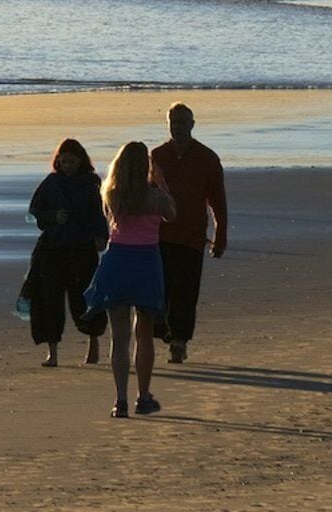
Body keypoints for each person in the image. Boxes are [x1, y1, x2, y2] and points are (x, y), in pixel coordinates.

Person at [81, 139, 176, 417]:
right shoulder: (155, 197)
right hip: (145, 262)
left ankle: (120, 399)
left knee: (119, 336)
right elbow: (172, 214)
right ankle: (143, 396)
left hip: (118, 261)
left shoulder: (112, 194)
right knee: (143, 334)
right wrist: (162, 183)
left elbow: (109, 219)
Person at [147, 102, 230, 363]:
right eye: (174, 122)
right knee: (160, 290)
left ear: (192, 124)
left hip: (192, 237)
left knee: (186, 292)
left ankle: (180, 341)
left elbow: (218, 201)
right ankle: (165, 331)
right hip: (159, 236)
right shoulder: (157, 156)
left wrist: (220, 235)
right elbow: (146, 195)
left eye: (183, 122)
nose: (178, 127)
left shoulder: (207, 158)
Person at [20, 138, 105, 367]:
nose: (68, 166)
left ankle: (93, 342)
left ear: (80, 161)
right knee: (49, 300)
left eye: (72, 162)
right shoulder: (51, 182)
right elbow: (35, 210)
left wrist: (101, 236)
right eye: (64, 161)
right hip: (53, 248)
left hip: (82, 249)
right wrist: (52, 216)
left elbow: (99, 212)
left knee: (84, 298)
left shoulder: (90, 183)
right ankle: (53, 352)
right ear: (58, 161)